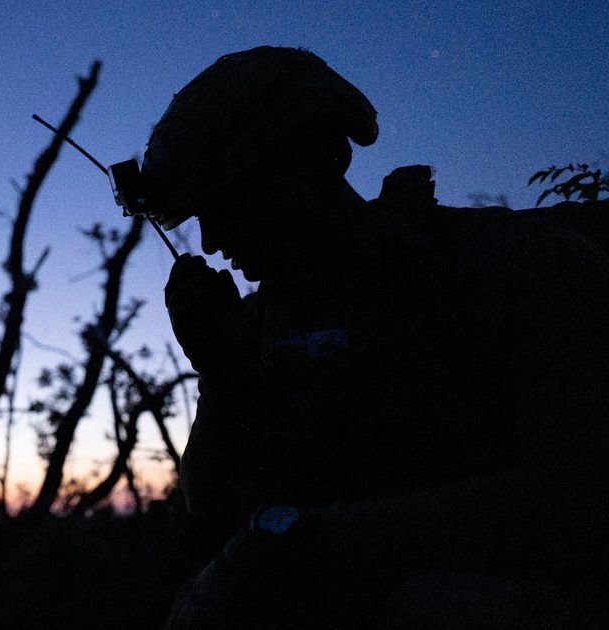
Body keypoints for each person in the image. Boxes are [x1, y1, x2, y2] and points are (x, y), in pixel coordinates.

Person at [143, 46, 609, 628]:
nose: (211, 242)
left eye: (231, 202)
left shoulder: (517, 265)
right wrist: (221, 376)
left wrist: (312, 540)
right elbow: (208, 529)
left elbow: (582, 496)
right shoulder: (260, 329)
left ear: (315, 160)